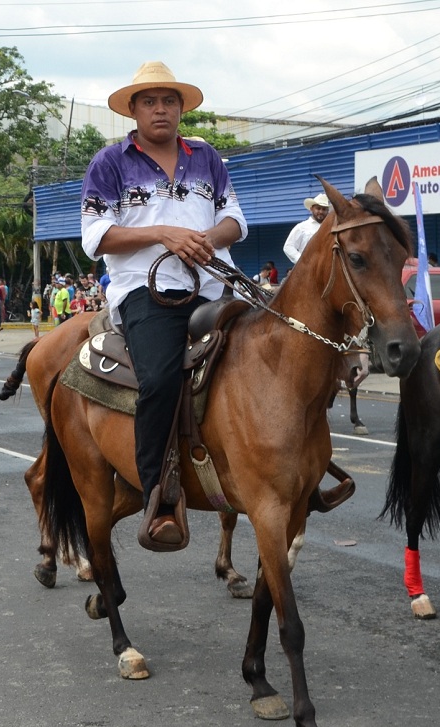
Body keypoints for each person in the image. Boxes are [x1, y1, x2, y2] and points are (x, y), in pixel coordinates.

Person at [80, 61, 246, 551]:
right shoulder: (109, 162)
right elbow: (97, 236)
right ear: (132, 110)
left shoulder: (207, 156)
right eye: (149, 101)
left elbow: (234, 217)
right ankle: (158, 495)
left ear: (180, 108)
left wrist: (206, 239)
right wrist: (164, 235)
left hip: (214, 287)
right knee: (160, 378)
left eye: (168, 101)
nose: (160, 109)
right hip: (145, 292)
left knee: (280, 354)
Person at [283, 192, 330, 264]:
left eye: (324, 209)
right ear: (311, 209)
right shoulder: (301, 227)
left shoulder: (331, 227)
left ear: (327, 211)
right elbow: (288, 246)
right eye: (318, 208)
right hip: (307, 271)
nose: (321, 211)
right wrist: (302, 260)